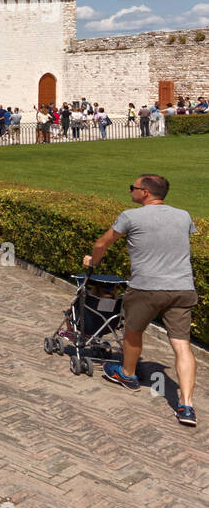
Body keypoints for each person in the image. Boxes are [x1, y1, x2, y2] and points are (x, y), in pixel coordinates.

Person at [84, 174, 198, 426]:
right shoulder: (184, 215)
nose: (130, 192)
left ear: (144, 193)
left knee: (133, 332)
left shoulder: (130, 216)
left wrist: (93, 261)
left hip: (146, 288)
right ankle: (187, 406)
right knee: (182, 345)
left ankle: (127, 374)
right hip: (181, 288)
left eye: (132, 188)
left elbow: (103, 243)